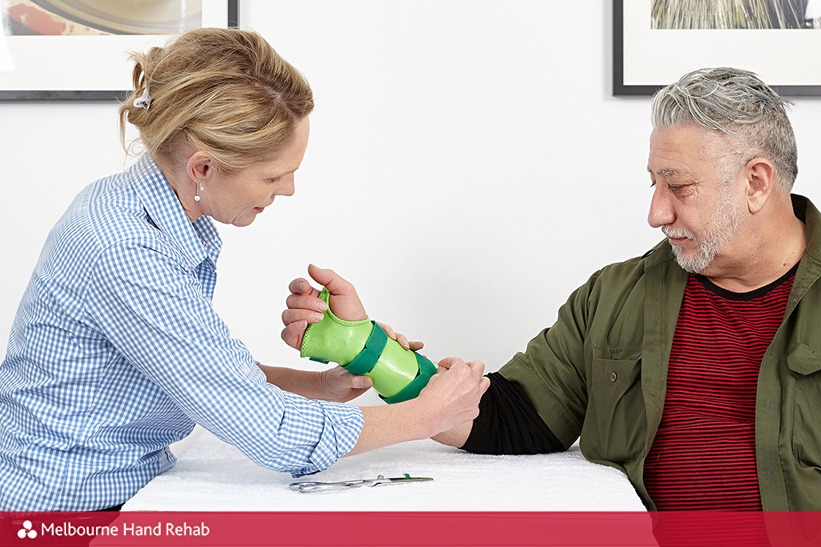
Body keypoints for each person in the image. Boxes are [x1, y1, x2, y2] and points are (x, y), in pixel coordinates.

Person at [282, 67, 821, 514]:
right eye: (652, 183)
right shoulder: (615, 295)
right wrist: (367, 349)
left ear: (757, 183)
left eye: (677, 186)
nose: (656, 213)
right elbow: (507, 419)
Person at [0, 28, 488, 512]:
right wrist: (426, 415)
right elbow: (271, 434)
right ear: (203, 169)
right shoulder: (126, 250)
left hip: (114, 486)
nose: (290, 189)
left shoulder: (137, 208)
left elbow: (192, 366)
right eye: (274, 175)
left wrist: (322, 386)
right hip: (59, 510)